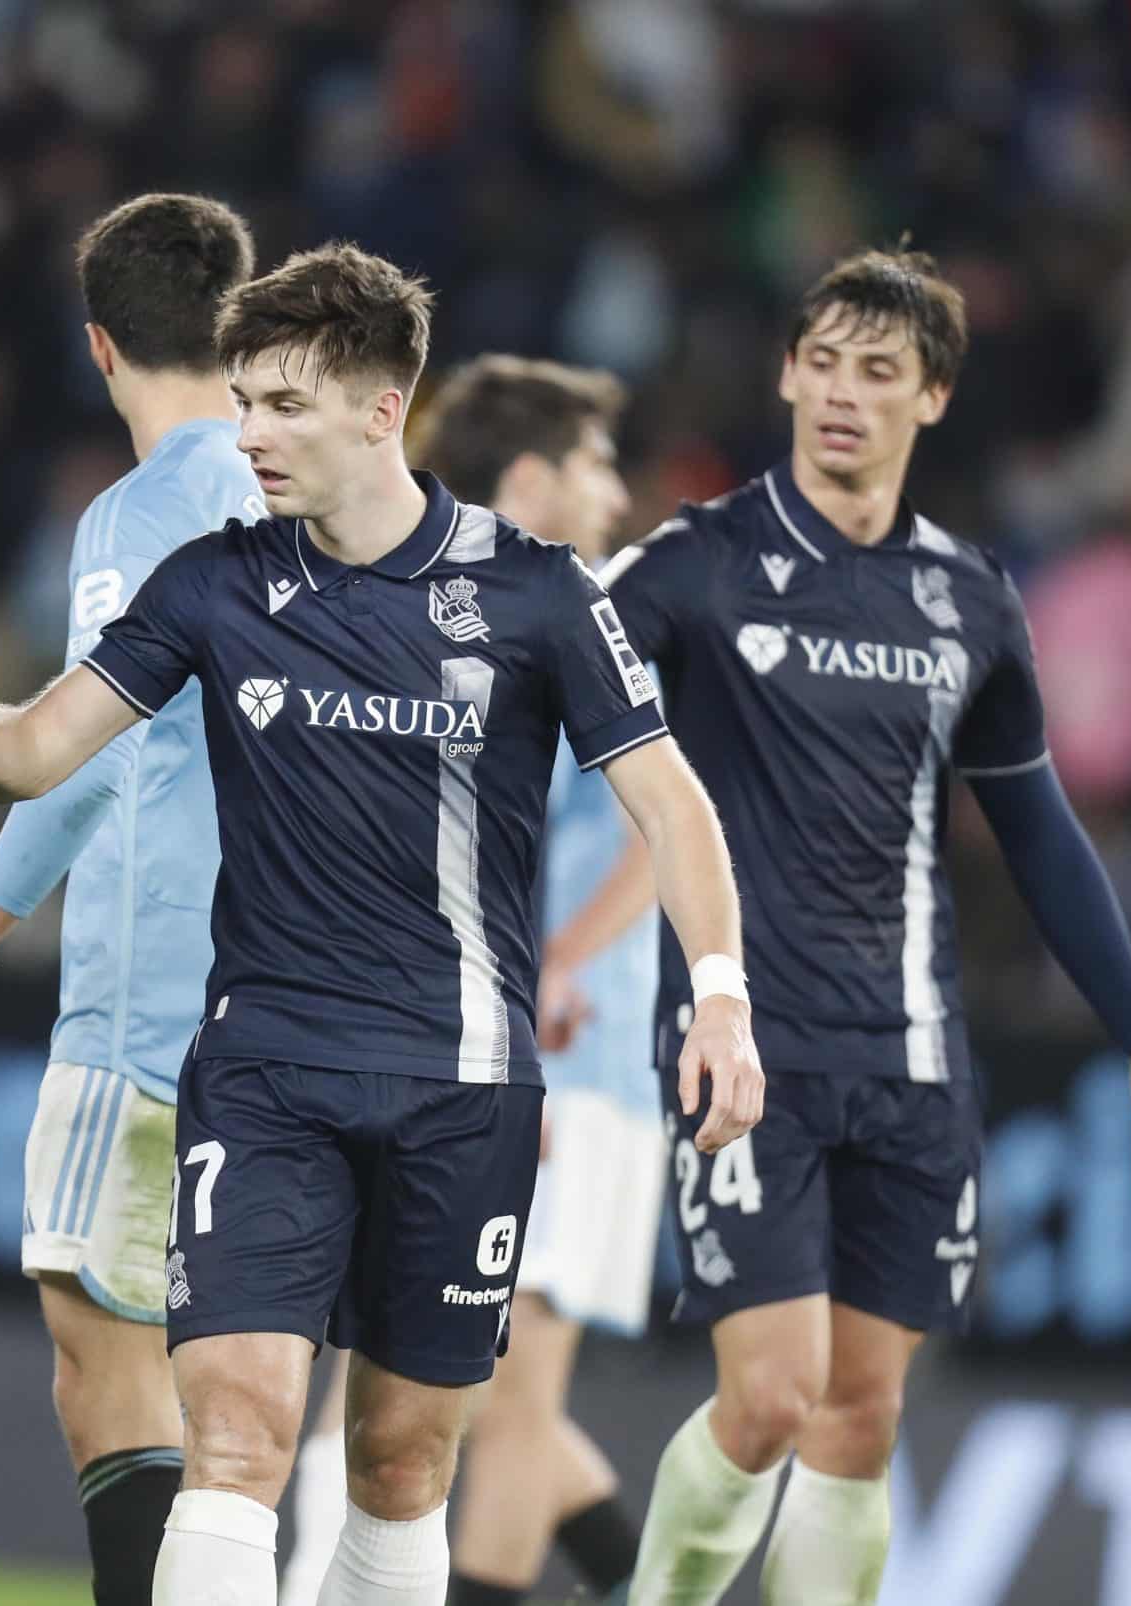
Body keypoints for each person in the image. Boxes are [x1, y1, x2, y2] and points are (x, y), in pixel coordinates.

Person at [0, 242, 764, 1606]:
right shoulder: (217, 582)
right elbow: (42, 750)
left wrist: (722, 998)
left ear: (380, 408)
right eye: (243, 399)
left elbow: (675, 809)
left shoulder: (533, 594)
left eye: (284, 402)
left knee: (404, 1467)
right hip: (265, 1073)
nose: (252, 433)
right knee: (238, 1430)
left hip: (462, 1086)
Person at [602, 247, 1131, 1606]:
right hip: (746, 1052)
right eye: (822, 362)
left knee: (859, 1415)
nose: (842, 394)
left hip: (917, 1060)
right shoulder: (697, 565)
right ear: (786, 373)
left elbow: (1038, 830)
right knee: (769, 1396)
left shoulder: (970, 597)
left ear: (932, 397)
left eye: (879, 372)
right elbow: (542, 699)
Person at [0, 191, 260, 1606]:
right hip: (297, 1017)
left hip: (149, 1010)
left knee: (107, 1373)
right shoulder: (323, 494)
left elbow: (81, 752)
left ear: (98, 349)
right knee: (250, 1404)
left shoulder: (139, 514)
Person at [281, 357, 659, 1606]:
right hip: (508, 1060)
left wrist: (553, 963)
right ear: (538, 476)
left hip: (570, 1064)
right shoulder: (510, 613)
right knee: (438, 1380)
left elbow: (673, 828)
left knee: (494, 1396)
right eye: (596, 463)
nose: (615, 489)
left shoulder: (595, 612)